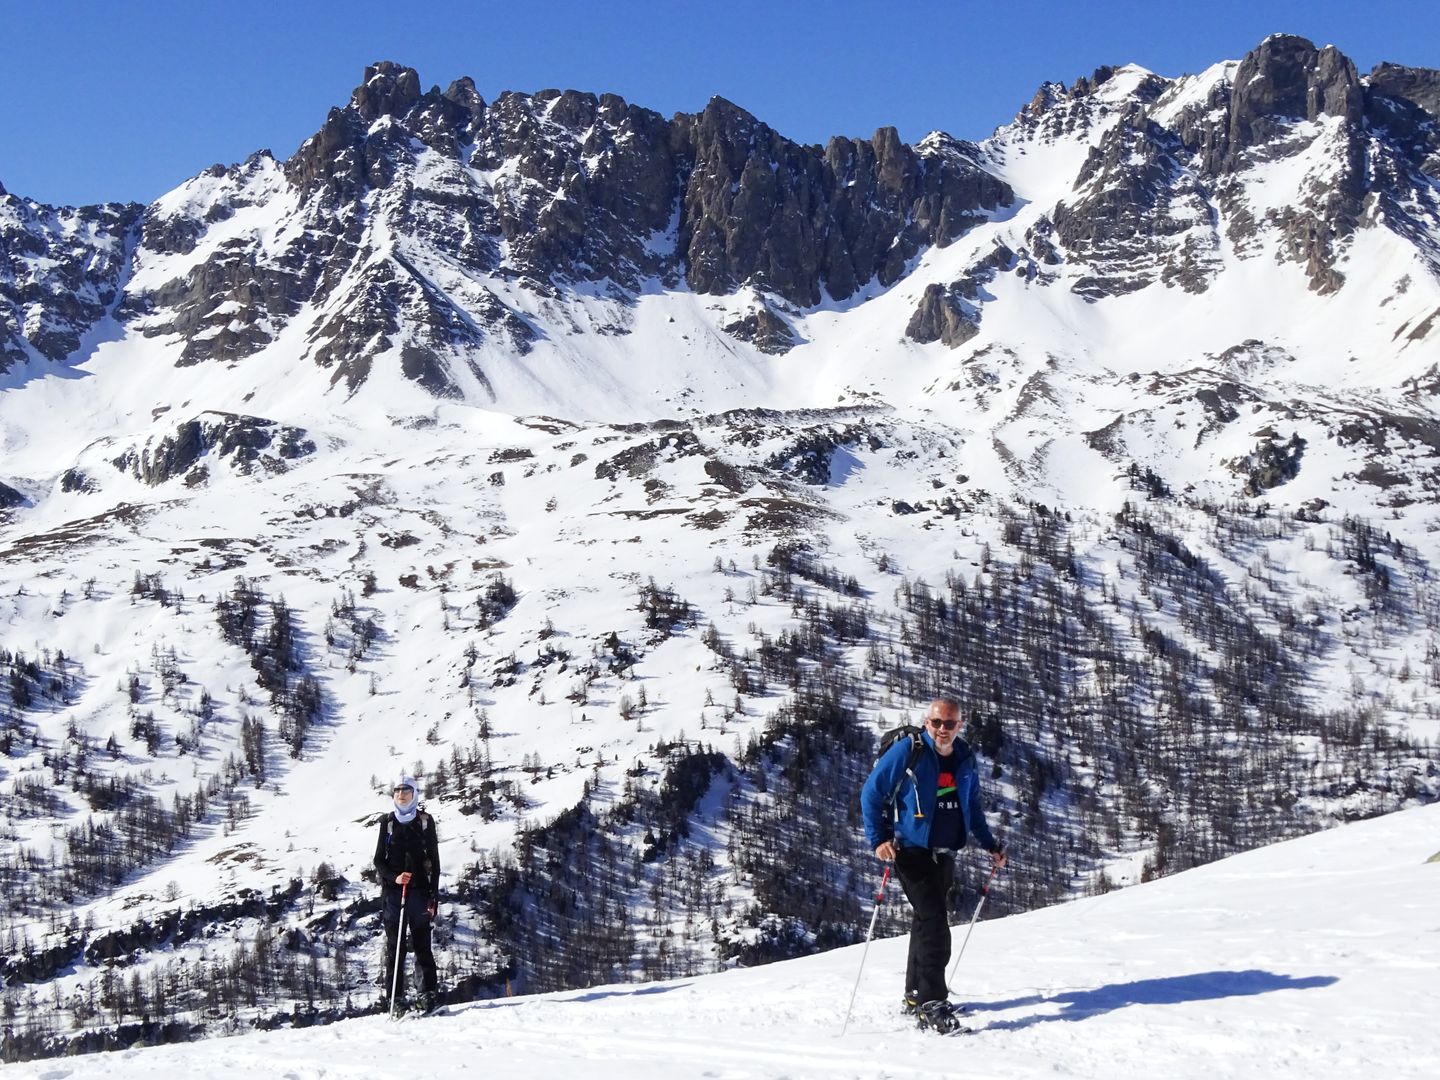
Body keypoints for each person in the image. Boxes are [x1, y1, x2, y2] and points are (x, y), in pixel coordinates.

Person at [860, 695, 1006, 1022]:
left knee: (926, 921)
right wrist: (879, 839)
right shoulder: (910, 751)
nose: (942, 729)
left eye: (949, 723)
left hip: (946, 852)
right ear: (927, 722)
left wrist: (990, 845)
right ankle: (932, 1002)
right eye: (936, 722)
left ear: (960, 725)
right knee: (936, 921)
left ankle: (914, 996)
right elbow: (871, 792)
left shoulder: (965, 757)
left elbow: (973, 808)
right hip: (910, 850)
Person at [374, 773, 441, 1011]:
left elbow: (434, 858)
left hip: (420, 893)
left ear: (415, 794)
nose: (401, 795)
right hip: (394, 895)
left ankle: (427, 994)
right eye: (397, 791)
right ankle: (396, 998)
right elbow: (378, 861)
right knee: (396, 948)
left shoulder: (425, 821)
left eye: (406, 790)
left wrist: (434, 895)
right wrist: (395, 877)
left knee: (423, 946)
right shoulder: (387, 822)